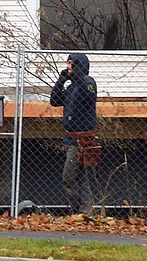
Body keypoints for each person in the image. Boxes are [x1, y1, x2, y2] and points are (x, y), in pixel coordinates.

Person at [50, 52, 99, 214]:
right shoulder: (71, 87)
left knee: (68, 178)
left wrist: (75, 75)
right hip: (71, 140)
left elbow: (87, 92)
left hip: (82, 140)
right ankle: (86, 211)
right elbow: (55, 100)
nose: (68, 66)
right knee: (81, 178)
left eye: (71, 63)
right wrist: (62, 79)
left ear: (79, 64)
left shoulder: (88, 83)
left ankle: (79, 210)